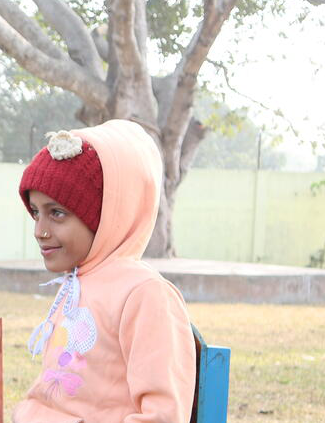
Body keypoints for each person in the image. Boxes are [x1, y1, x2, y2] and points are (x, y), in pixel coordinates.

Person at [13, 120, 196, 422]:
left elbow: (163, 415)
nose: (40, 231)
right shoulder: (76, 284)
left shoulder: (145, 294)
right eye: (36, 213)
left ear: (107, 217)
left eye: (57, 213)